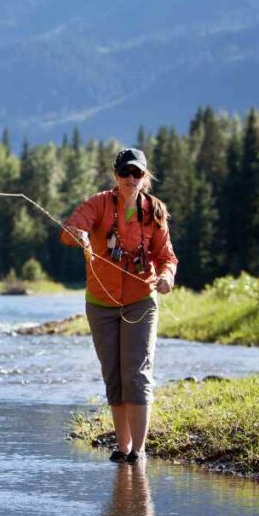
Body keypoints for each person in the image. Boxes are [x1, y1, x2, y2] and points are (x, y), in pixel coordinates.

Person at [61, 148, 177, 463]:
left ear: (145, 177)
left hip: (140, 300)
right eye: (125, 173)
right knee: (113, 375)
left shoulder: (154, 211)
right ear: (116, 176)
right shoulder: (97, 204)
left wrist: (166, 277)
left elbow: (166, 257)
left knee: (136, 373)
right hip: (100, 302)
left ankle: (138, 451)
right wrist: (79, 235)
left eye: (136, 173)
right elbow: (71, 230)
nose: (130, 179)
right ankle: (122, 447)